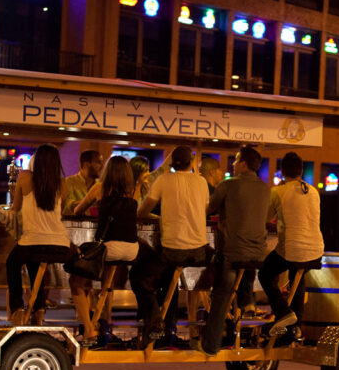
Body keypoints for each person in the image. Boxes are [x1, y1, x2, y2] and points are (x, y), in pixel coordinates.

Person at [133, 145, 210, 343]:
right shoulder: (201, 182)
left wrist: (160, 216)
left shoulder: (163, 180)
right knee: (172, 277)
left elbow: (142, 211)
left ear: (172, 164)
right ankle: (177, 329)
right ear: (192, 163)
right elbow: (205, 210)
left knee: (139, 275)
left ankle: (156, 322)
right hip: (200, 252)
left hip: (171, 252)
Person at [199, 146, 271, 355]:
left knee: (222, 293)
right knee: (244, 271)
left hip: (232, 253)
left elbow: (207, 209)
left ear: (244, 164)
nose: (232, 164)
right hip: (257, 255)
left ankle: (211, 345)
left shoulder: (228, 185)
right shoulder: (265, 188)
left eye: (236, 160)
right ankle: (247, 302)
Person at [72, 156, 142, 344]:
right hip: (132, 249)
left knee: (77, 282)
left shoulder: (99, 189)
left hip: (109, 248)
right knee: (107, 280)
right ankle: (106, 322)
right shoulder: (134, 191)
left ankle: (88, 329)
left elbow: (78, 211)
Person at [7, 144, 74, 326]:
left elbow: (16, 208)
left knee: (12, 262)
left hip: (32, 240)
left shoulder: (24, 177)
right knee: (35, 264)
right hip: (60, 245)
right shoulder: (62, 184)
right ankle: (39, 310)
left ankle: (17, 308)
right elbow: (61, 212)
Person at [257, 151, 323, 332]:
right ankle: (295, 327)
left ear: (282, 170)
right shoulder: (314, 191)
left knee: (265, 273)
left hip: (292, 250)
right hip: (316, 250)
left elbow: (266, 218)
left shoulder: (278, 191)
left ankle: (283, 312)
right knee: (297, 275)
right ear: (301, 170)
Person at [63, 150, 102, 214]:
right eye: (99, 162)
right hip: (74, 223)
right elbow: (68, 204)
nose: (102, 166)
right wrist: (88, 202)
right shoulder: (69, 181)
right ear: (86, 164)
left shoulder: (99, 185)